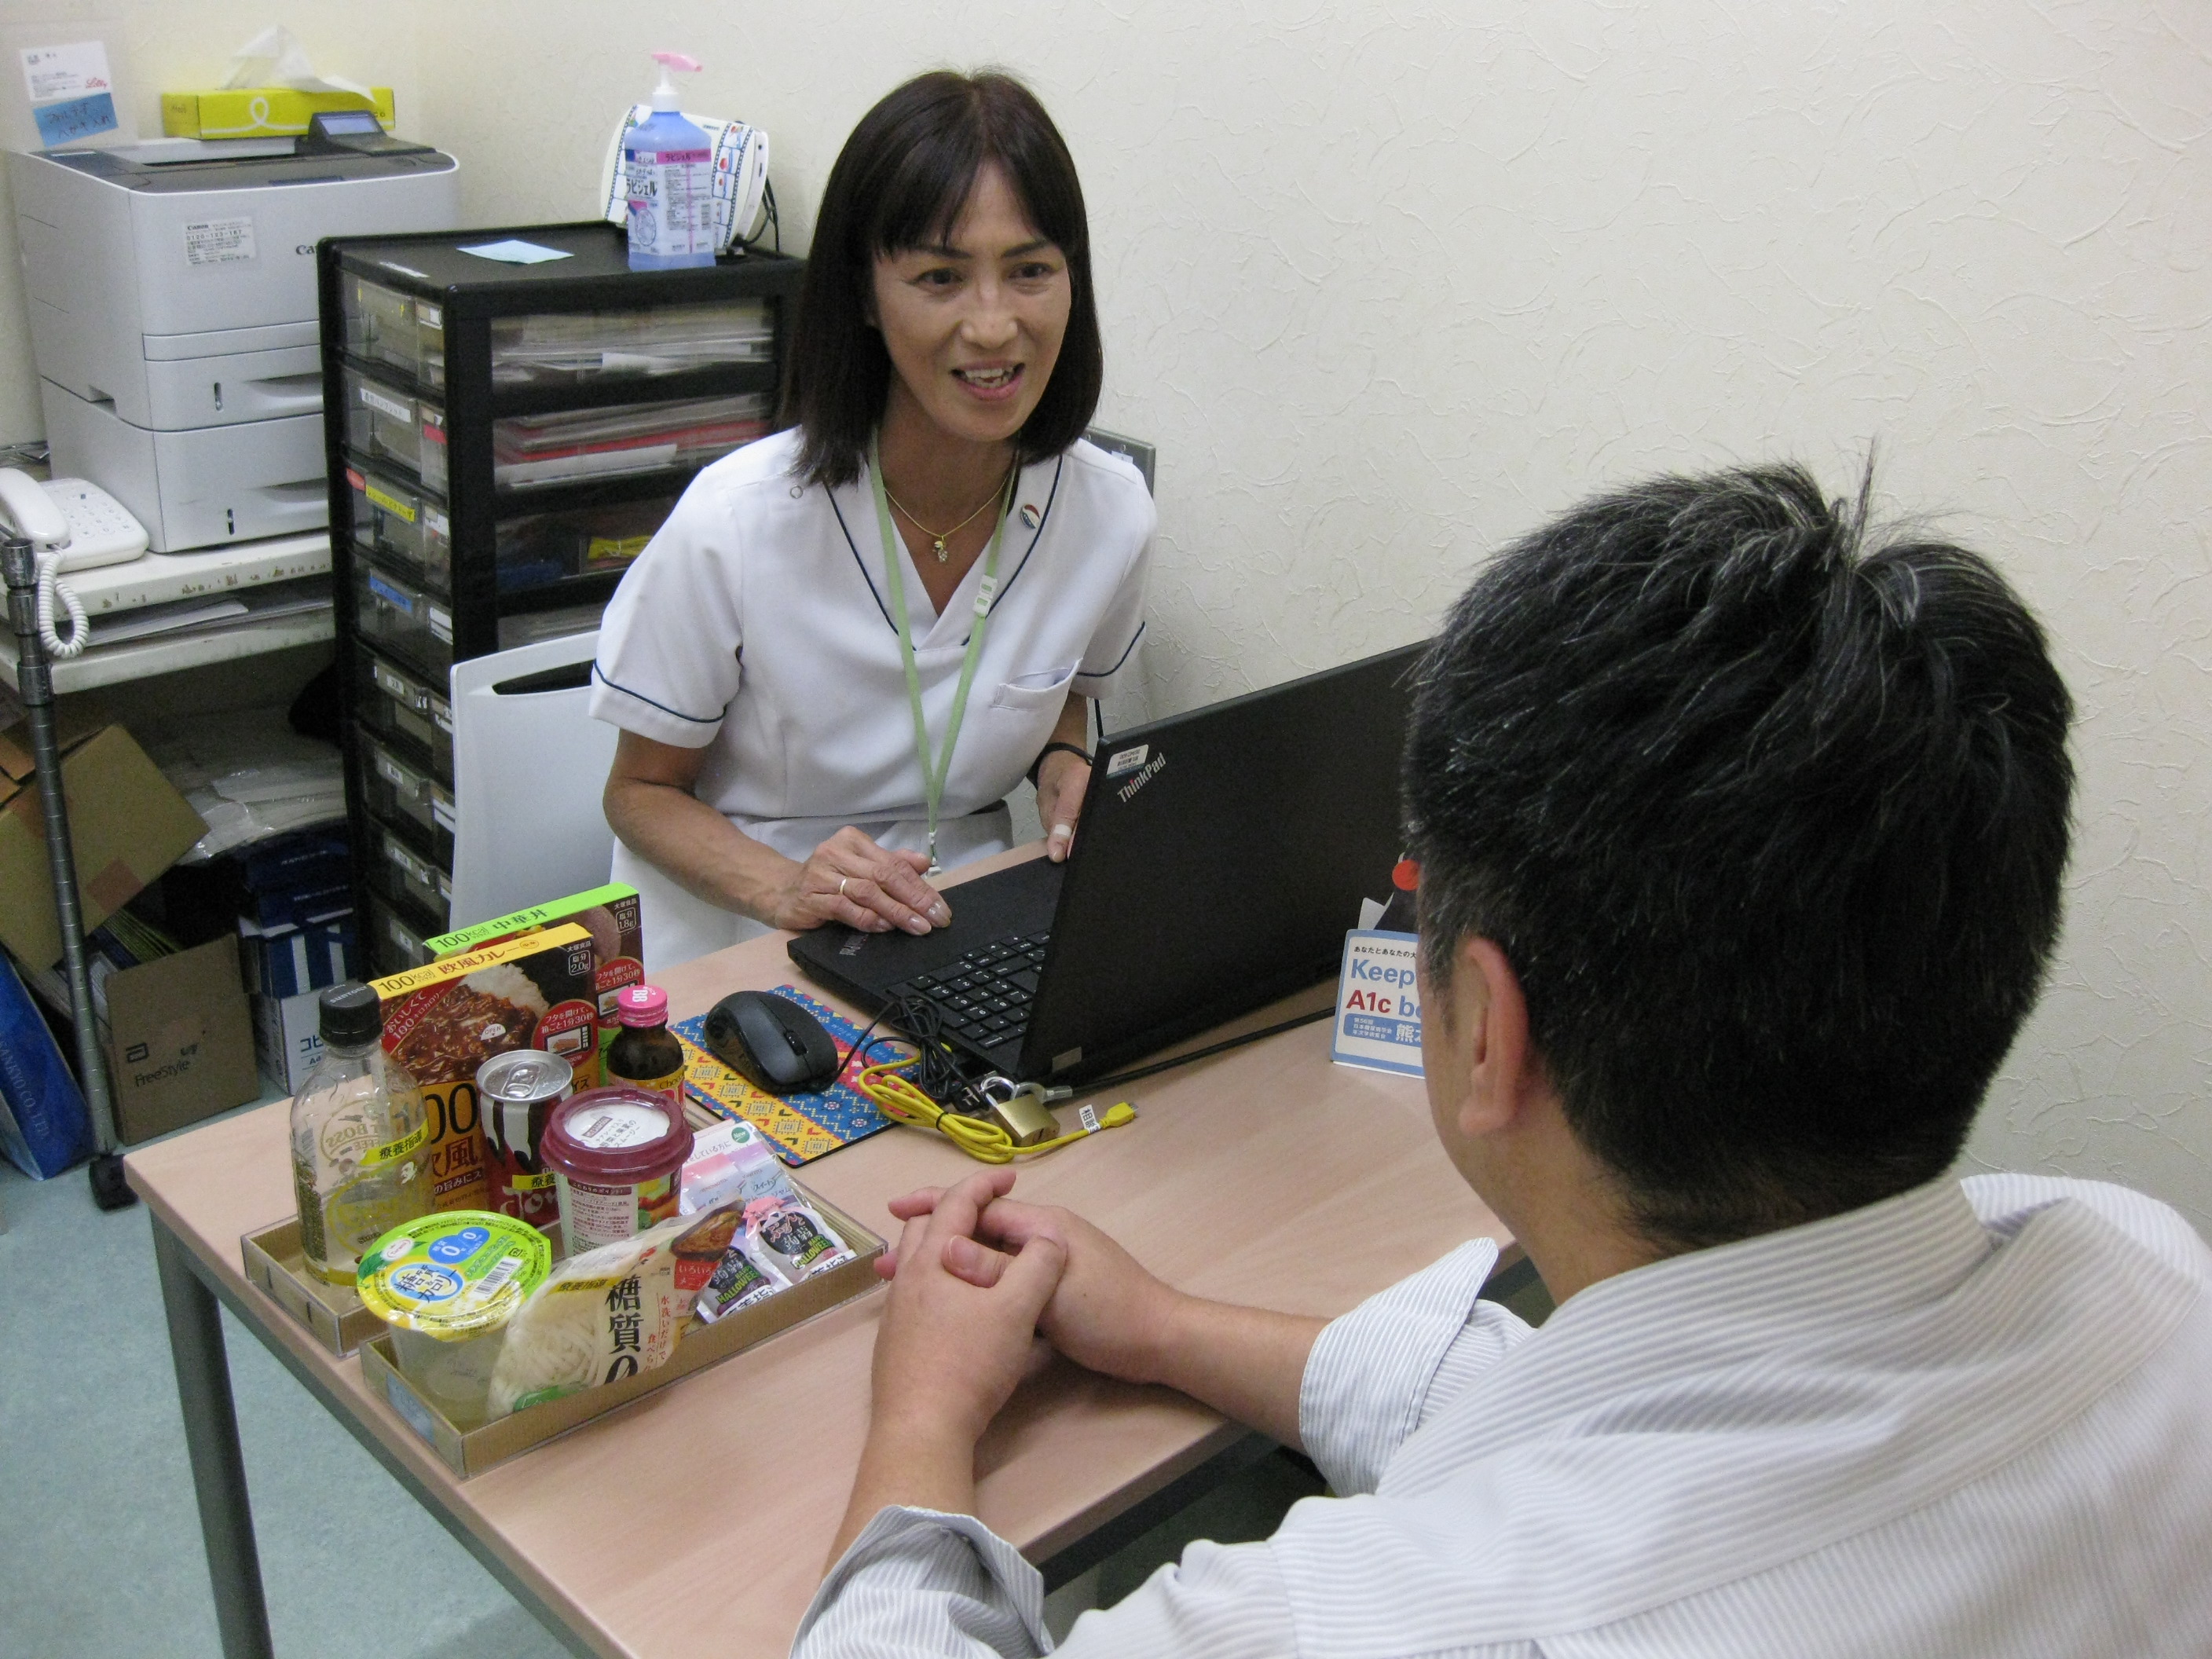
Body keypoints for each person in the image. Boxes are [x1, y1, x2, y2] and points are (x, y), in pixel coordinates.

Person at [793, 465, 2212, 1656]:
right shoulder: (2144, 1271)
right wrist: (1164, 1324)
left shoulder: (1362, 1624)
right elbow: (1610, 1427)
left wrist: (923, 1415)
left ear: (1489, 1026)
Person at [591, 71, 1153, 968]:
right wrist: (787, 887)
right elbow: (640, 793)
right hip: (738, 936)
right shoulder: (736, 523)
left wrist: (1065, 771)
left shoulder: (1109, 511)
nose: (993, 325)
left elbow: (1062, 705)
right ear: (863, 293)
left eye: (1031, 271)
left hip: (960, 924)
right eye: (939, 276)